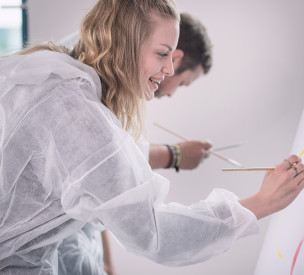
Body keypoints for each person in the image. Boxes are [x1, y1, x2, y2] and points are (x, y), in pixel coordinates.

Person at [0, 1, 304, 275]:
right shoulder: (77, 114)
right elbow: (154, 232)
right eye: (162, 53)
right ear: (124, 45)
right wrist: (257, 204)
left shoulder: (56, 76)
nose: (169, 69)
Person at [57, 12, 214, 275]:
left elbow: (100, 180)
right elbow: (106, 166)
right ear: (172, 57)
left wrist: (107, 261)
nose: (173, 90)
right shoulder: (86, 85)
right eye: (183, 83)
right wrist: (175, 155)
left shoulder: (98, 66)